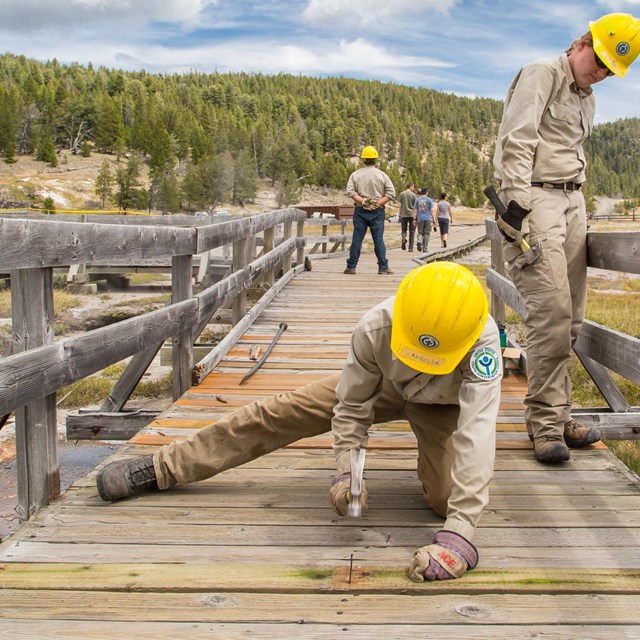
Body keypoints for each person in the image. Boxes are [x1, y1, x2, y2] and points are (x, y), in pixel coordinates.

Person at [97, 262, 503, 582]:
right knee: (279, 411)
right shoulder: (375, 327)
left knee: (444, 502)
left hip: (443, 407)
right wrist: (349, 472)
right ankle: (162, 467)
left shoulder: (483, 346)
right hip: (386, 386)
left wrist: (460, 533)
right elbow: (351, 407)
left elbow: (477, 434)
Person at [492, 13, 640, 463]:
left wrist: (579, 204)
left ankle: (559, 413)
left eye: (609, 71)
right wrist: (515, 208)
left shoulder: (586, 96)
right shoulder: (543, 73)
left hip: (572, 202)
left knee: (572, 317)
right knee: (551, 312)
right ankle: (544, 425)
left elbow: (570, 153)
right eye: (598, 60)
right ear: (582, 42)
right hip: (537, 200)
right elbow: (516, 141)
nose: (599, 72)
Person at [344, 145, 396, 275]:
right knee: (378, 239)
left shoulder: (356, 175)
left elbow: (350, 191)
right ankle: (383, 267)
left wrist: (362, 201)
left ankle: (351, 267)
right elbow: (391, 193)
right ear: (375, 160)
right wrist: (378, 203)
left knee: (357, 238)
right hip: (377, 211)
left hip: (360, 210)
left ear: (363, 159)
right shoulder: (382, 175)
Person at [414, 187, 434, 253]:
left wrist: (414, 219)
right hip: (428, 218)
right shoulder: (429, 200)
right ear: (426, 192)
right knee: (427, 234)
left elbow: (415, 210)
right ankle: (425, 248)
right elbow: (431, 210)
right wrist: (433, 219)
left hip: (420, 219)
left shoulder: (417, 200)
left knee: (420, 232)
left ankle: (419, 241)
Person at [398, 182, 417, 251]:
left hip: (403, 214)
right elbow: (415, 207)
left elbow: (400, 205)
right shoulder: (414, 195)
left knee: (404, 230)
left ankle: (403, 239)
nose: (413, 188)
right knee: (412, 231)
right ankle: (410, 247)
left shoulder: (402, 194)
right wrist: (416, 217)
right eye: (413, 187)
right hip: (412, 215)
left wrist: (399, 215)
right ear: (411, 186)